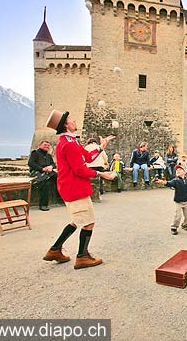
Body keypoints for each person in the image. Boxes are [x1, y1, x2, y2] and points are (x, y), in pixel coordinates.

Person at [42, 109, 116, 269]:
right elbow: (80, 169)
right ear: (66, 125)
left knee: (77, 221)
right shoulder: (69, 144)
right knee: (88, 222)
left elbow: (87, 157)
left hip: (70, 187)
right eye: (71, 119)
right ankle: (82, 257)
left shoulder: (71, 141)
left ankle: (54, 250)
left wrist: (101, 147)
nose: (74, 120)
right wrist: (101, 174)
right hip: (74, 189)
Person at [155, 165, 187, 235]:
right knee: (177, 216)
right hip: (178, 202)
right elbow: (169, 183)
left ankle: (185, 225)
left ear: (184, 172)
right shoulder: (175, 180)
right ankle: (174, 227)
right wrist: (163, 182)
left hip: (186, 202)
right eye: (177, 170)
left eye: (180, 170)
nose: (178, 171)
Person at [28, 140, 57, 211]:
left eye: (48, 145)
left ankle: (65, 198)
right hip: (37, 172)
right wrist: (42, 169)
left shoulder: (48, 155)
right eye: (45, 145)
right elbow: (31, 163)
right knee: (45, 183)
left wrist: (51, 167)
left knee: (60, 178)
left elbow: (53, 164)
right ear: (40, 145)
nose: (47, 146)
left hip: (48, 172)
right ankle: (43, 205)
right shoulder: (35, 153)